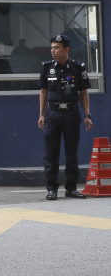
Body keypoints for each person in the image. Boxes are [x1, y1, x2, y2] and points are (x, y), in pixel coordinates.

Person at [38, 34, 92, 201]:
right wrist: (41, 114)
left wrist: (87, 115)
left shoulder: (78, 67)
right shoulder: (47, 67)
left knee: (71, 153)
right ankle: (52, 188)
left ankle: (71, 188)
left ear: (66, 49)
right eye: (52, 47)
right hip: (52, 114)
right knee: (51, 153)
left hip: (71, 113)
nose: (52, 51)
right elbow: (43, 91)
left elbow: (83, 92)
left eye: (56, 47)